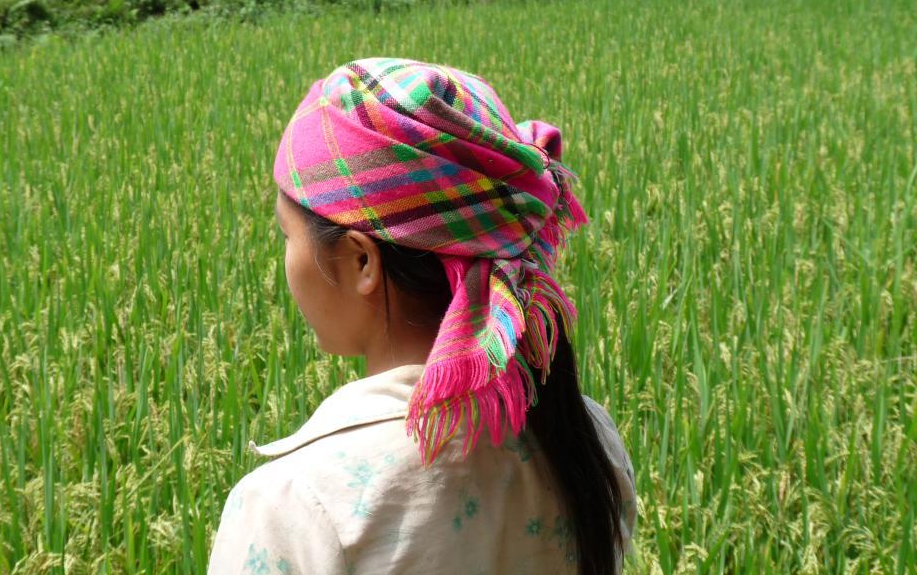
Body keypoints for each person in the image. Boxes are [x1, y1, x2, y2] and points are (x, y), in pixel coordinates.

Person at [207, 57, 638, 575]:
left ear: (361, 259)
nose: (285, 259)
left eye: (286, 235)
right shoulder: (587, 437)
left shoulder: (298, 506)